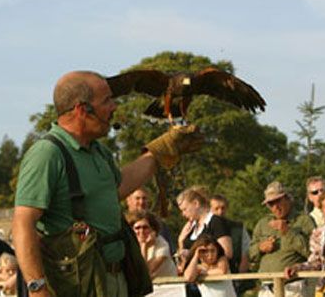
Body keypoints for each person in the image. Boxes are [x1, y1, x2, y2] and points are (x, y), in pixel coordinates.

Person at [12, 70, 203, 297]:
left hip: (113, 278)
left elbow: (117, 188)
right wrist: (37, 288)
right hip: (75, 285)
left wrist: (159, 151)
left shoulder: (99, 151)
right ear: (82, 110)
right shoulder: (47, 154)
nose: (114, 107)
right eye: (107, 101)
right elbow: (22, 223)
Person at [249, 181, 314, 297]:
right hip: (266, 288)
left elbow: (312, 253)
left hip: (293, 286)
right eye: (270, 204)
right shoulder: (262, 223)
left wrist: (288, 232)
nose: (275, 207)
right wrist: (260, 247)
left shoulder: (304, 221)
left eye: (278, 201)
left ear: (287, 198)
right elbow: (249, 254)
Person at [126, 211, 177, 278]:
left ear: (152, 229)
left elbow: (146, 272)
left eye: (145, 227)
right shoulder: (130, 244)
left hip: (166, 284)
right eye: (137, 228)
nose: (141, 231)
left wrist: (144, 245)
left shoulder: (162, 244)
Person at [126, 187, 175, 254]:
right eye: (137, 198)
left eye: (144, 198)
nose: (141, 202)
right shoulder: (123, 224)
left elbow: (169, 251)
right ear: (128, 201)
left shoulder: (158, 224)